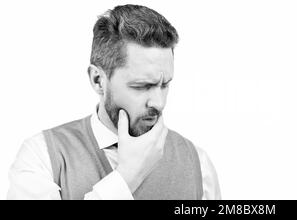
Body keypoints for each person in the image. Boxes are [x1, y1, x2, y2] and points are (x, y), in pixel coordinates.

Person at [7, 4, 221, 200]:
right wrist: (127, 177)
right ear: (98, 80)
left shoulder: (198, 164)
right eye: (142, 86)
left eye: (164, 85)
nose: (159, 102)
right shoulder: (41, 156)